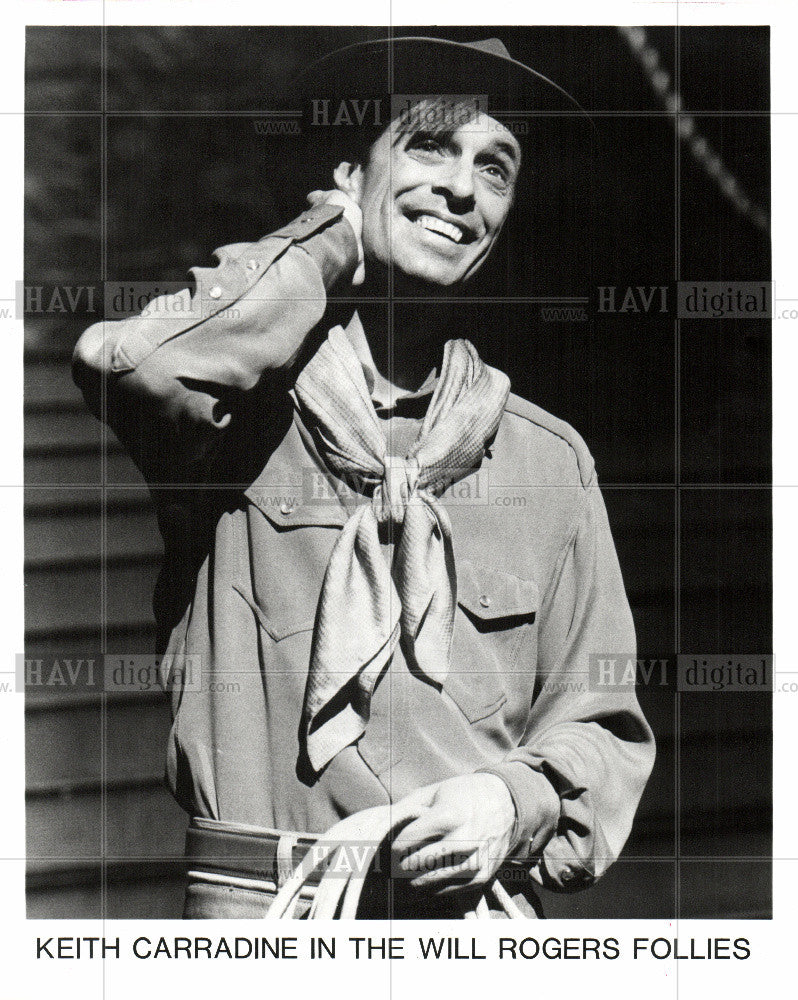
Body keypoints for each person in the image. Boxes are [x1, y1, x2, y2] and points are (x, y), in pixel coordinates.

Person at [73, 35, 655, 919]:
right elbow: (135, 363)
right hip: (266, 923)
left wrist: (511, 802)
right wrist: (328, 237)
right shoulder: (229, 424)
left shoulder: (549, 462)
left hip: (474, 934)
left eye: (495, 170)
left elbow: (602, 723)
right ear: (350, 172)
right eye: (430, 145)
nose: (464, 188)